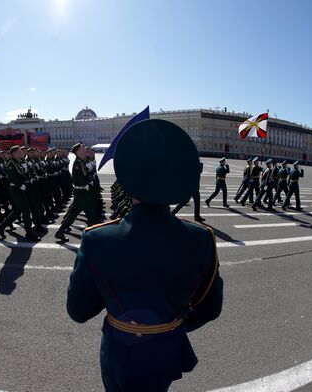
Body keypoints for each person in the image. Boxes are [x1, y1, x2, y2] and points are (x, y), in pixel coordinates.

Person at [67, 119, 223, 392]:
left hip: (119, 354)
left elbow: (78, 311)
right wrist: (169, 325)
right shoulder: (201, 239)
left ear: (128, 179)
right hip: (166, 351)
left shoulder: (97, 239)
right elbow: (210, 308)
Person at [55, 143, 103, 242]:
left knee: (73, 213)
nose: (85, 150)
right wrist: (87, 182)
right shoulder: (77, 163)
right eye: (82, 149)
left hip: (82, 192)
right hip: (82, 192)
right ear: (78, 152)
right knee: (92, 214)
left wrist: (90, 173)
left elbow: (87, 174)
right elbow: (76, 178)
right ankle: (93, 237)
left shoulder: (82, 161)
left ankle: (60, 232)